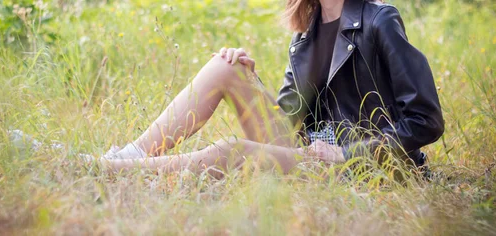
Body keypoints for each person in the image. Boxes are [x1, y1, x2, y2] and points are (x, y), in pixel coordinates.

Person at [97, 0, 444, 177]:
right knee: (225, 65)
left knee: (232, 150)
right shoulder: (306, 33)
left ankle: (107, 170)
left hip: (361, 166)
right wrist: (248, 77)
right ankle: (130, 154)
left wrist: (346, 154)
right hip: (313, 152)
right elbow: (289, 124)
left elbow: (425, 120)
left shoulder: (379, 20)